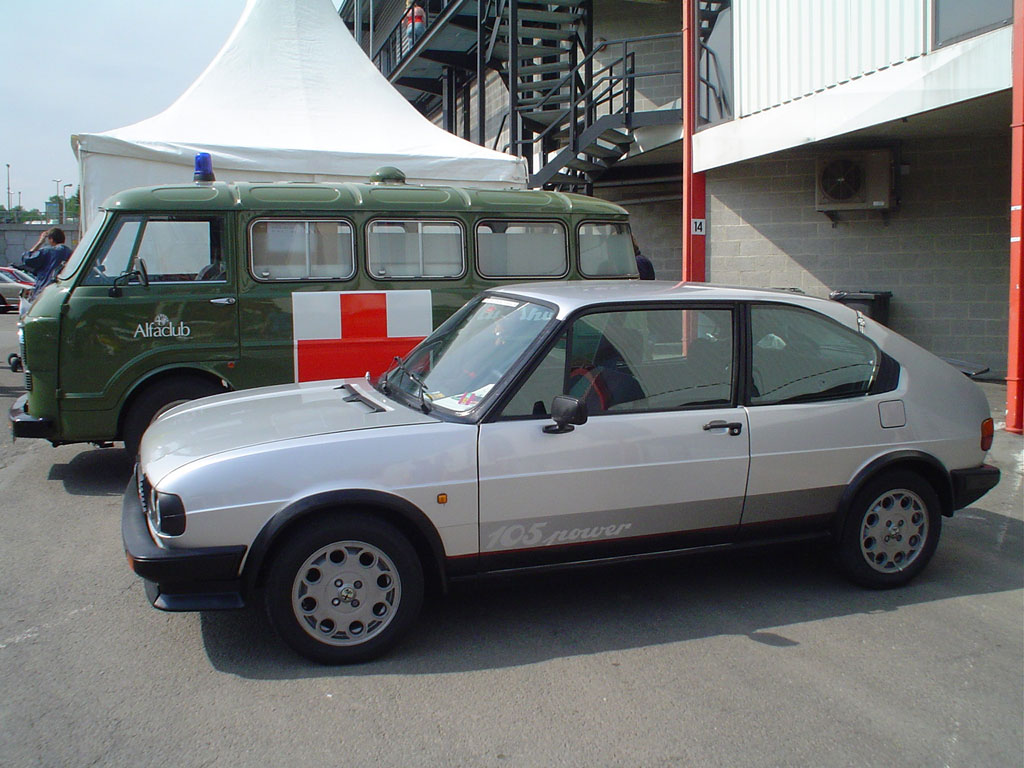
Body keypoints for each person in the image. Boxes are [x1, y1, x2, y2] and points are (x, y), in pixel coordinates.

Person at [21, 227, 72, 311]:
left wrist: (40, 242)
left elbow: (27, 259)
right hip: (62, 291)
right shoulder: (70, 252)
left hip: (44, 290)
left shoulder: (47, 251)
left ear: (51, 239)